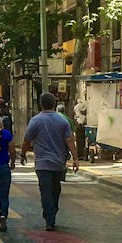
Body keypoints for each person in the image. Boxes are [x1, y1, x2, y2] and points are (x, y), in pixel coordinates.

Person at [22, 92, 79, 230]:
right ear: (54, 104)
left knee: (45, 190)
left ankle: (49, 217)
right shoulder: (63, 121)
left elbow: (26, 140)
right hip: (58, 163)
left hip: (42, 163)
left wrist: (23, 154)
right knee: (55, 189)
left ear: (41, 104)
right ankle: (52, 214)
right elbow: (69, 141)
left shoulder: (35, 121)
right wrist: (76, 159)